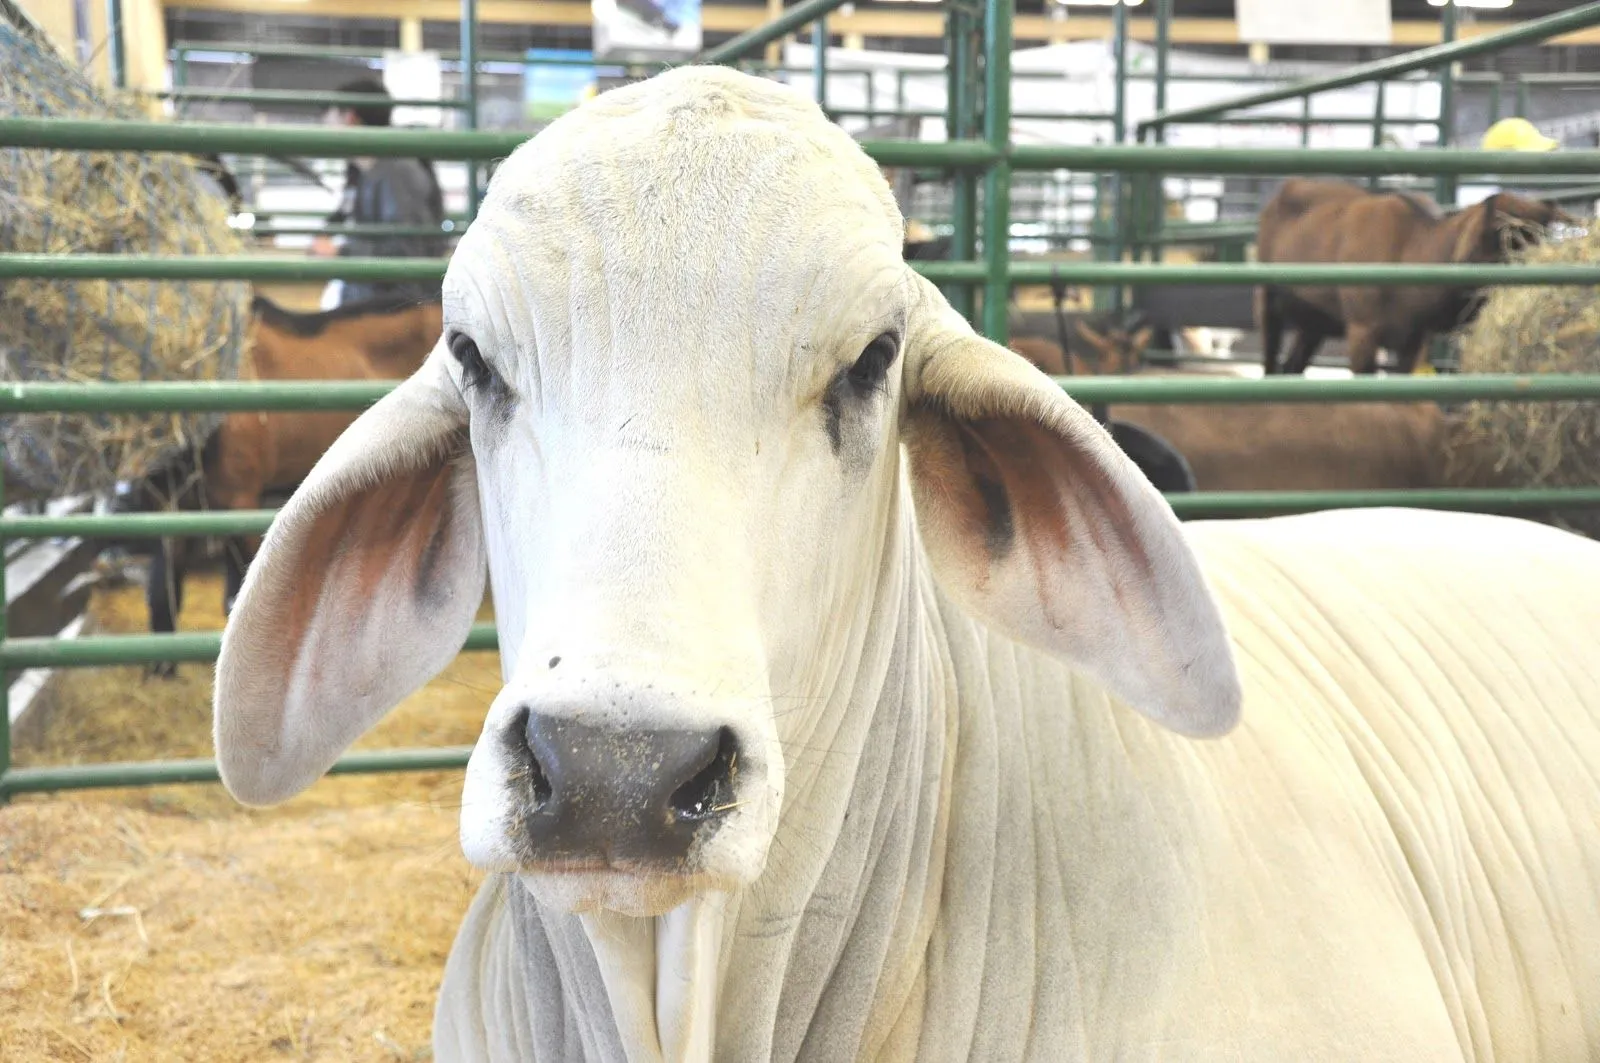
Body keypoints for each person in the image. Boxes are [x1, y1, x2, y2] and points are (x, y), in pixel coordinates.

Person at [310, 76, 448, 307]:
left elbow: (407, 251)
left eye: (330, 117)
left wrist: (341, 252)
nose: (326, 126)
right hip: (375, 297)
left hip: (397, 308)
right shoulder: (365, 170)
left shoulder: (397, 171)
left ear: (350, 118)